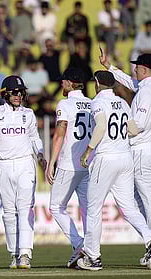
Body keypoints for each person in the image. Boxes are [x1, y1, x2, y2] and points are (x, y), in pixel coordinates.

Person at [77, 71, 151, 271]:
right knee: (129, 208)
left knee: (94, 208)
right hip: (125, 158)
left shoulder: (97, 102)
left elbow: (101, 125)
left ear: (97, 84)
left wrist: (88, 151)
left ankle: (92, 256)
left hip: (105, 159)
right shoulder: (123, 103)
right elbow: (133, 130)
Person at [100, 49, 151, 267]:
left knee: (148, 203)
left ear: (144, 69)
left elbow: (138, 125)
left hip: (142, 150)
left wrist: (116, 129)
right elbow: (131, 84)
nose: (133, 70)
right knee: (138, 202)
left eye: (136, 67)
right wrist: (110, 67)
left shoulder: (146, 92)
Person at [0, 75, 47, 269]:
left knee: (25, 209)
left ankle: (26, 253)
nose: (19, 96)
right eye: (15, 92)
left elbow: (35, 138)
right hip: (4, 165)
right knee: (9, 213)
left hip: (26, 164)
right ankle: (14, 253)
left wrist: (41, 156)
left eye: (21, 92)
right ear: (5, 94)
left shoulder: (29, 114)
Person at [45, 68, 91, 268]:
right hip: (88, 164)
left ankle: (80, 244)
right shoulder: (92, 103)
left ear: (70, 83)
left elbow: (59, 134)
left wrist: (51, 162)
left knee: (56, 206)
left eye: (63, 81)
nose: (61, 84)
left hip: (69, 164)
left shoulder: (65, 104)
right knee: (88, 209)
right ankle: (91, 250)